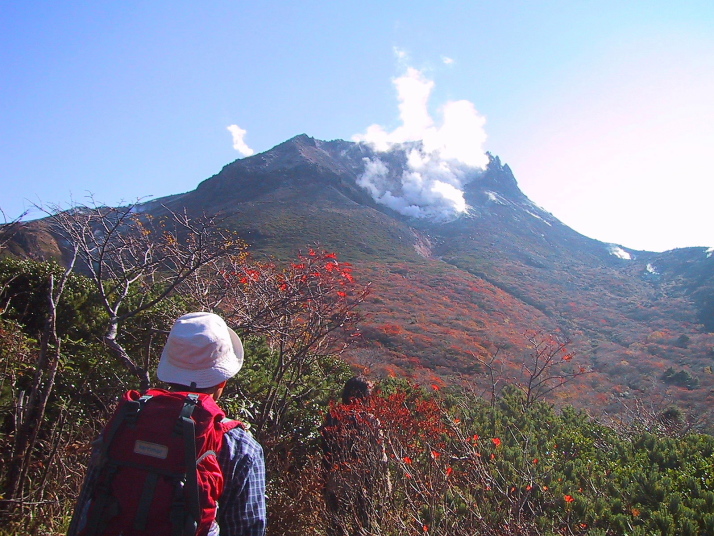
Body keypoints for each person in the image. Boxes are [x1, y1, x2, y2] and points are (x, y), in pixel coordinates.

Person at [68, 312, 266, 536]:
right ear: (223, 379)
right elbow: (246, 529)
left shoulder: (128, 420)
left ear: (169, 371)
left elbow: (87, 509)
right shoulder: (239, 446)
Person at [320, 376, 389, 536]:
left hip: (334, 481)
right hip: (363, 483)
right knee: (364, 528)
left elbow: (324, 451)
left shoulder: (331, 418)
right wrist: (386, 484)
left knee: (335, 526)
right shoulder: (370, 421)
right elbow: (380, 457)